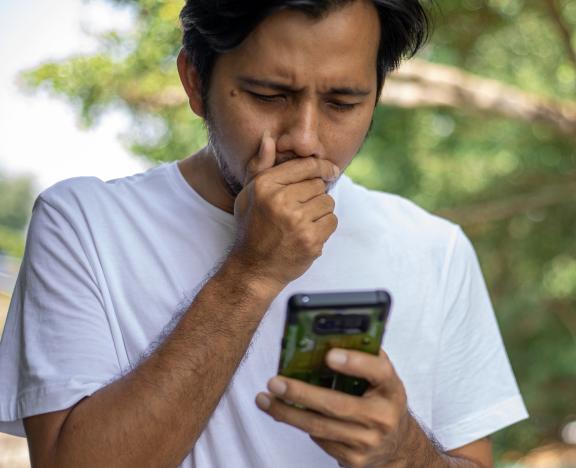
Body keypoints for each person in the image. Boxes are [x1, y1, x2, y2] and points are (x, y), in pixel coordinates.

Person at [0, 1, 527, 466]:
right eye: (269, 95)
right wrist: (251, 273)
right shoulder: (84, 224)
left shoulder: (435, 248)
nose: (304, 139)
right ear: (194, 83)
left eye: (342, 103)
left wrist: (403, 456)